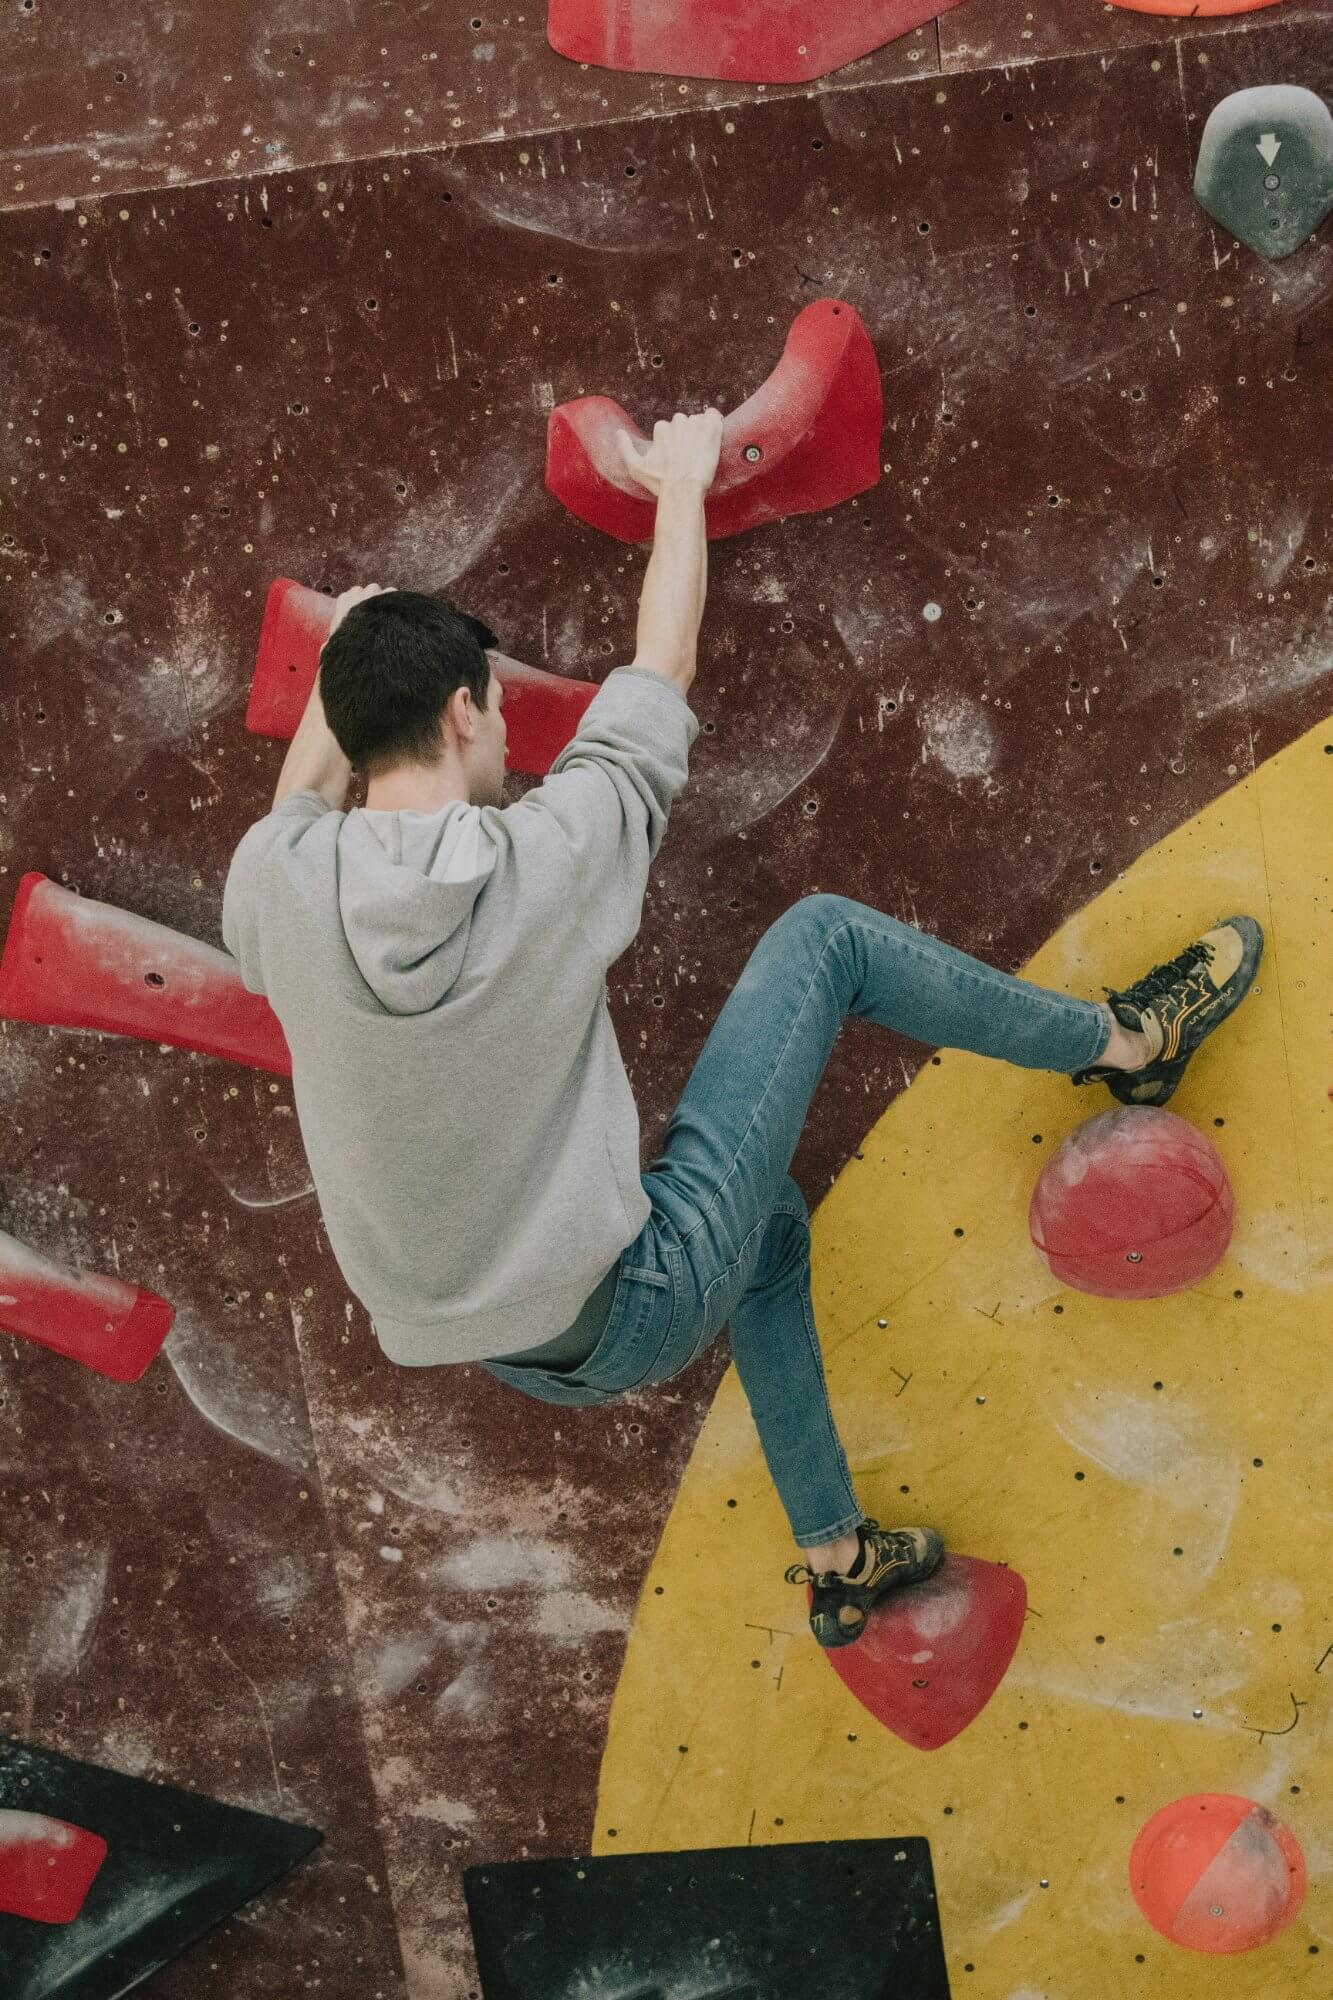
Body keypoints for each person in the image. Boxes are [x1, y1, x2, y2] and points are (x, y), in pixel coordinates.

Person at [222, 410, 1263, 1650]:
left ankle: (836, 1555)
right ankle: (1129, 1044)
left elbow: (304, 794)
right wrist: (680, 482)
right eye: (491, 710)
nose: (503, 730)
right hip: (632, 1291)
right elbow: (661, 664)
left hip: (491, 1342)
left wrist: (352, 644)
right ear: (463, 710)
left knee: (766, 1234)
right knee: (826, 938)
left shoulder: (269, 886)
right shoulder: (553, 848)